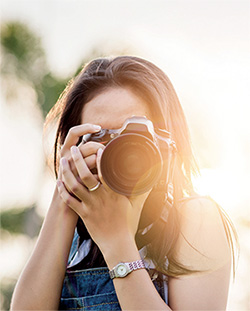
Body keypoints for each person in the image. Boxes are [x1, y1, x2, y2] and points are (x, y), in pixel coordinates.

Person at [11, 55, 238, 310]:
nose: (117, 152)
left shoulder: (196, 219)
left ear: (168, 143)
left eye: (132, 136)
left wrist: (116, 239)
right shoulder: (73, 236)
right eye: (99, 137)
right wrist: (63, 199)